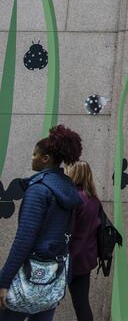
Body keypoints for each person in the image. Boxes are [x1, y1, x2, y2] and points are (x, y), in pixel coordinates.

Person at [0, 125, 84, 321]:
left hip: (27, 274)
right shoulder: (67, 189)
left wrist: (3, 281)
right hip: (54, 275)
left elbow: (24, 240)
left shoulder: (38, 190)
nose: (32, 158)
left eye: (34, 154)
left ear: (45, 159)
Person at [65, 161, 102, 321]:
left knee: (44, 302)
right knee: (82, 304)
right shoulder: (94, 200)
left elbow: (67, 230)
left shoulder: (73, 200)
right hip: (85, 259)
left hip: (68, 258)